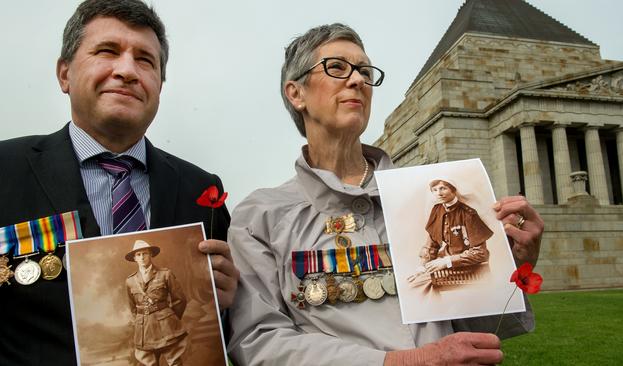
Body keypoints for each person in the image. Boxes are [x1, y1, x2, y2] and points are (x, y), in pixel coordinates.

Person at [227, 23, 544, 365]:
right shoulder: (260, 216)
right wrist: (405, 362)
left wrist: (512, 267)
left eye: (364, 71)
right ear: (296, 93)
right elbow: (258, 343)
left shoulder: (431, 195)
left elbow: (479, 326)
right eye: (337, 68)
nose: (357, 80)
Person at [0, 1, 238, 365]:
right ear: (64, 74)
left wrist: (228, 300)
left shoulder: (200, 189)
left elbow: (220, 326)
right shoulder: (6, 169)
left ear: (159, 83)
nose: (127, 70)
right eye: (107, 51)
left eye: (145, 60)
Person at [125, 240, 188, 366]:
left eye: (145, 253)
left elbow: (180, 300)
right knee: (148, 363)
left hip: (166, 327)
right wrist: (140, 322)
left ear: (151, 255)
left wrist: (170, 318)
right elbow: (133, 308)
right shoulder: (130, 281)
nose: (142, 257)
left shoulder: (165, 274)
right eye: (138, 255)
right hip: (144, 330)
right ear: (134, 258)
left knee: (174, 361)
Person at [419, 179, 493, 273]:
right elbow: (432, 244)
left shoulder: (468, 214)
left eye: (443, 188)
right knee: (417, 282)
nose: (439, 193)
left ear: (453, 190)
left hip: (471, 268)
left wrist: (447, 262)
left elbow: (480, 253)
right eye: (435, 190)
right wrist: (422, 266)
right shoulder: (437, 210)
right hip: (445, 263)